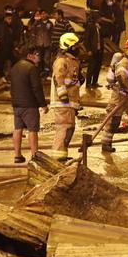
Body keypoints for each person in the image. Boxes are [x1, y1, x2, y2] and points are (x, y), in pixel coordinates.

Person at [9, 46, 48, 163]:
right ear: (29, 55)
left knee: (17, 129)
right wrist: (43, 104)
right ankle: (35, 155)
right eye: (36, 55)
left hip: (17, 105)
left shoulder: (15, 67)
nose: (38, 58)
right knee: (32, 130)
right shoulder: (32, 69)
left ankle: (17, 155)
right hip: (29, 105)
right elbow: (36, 88)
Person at [50, 33, 82, 162]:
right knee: (64, 128)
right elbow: (58, 78)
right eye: (76, 45)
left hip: (69, 101)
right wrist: (63, 96)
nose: (78, 48)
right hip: (62, 102)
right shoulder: (61, 61)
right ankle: (58, 158)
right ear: (69, 46)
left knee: (69, 128)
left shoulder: (71, 61)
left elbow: (72, 82)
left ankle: (61, 155)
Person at [82, 10, 104, 88]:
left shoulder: (99, 26)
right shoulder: (90, 26)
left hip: (99, 50)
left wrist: (100, 29)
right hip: (93, 51)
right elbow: (86, 40)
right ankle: (88, 83)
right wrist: (89, 50)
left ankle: (95, 82)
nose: (101, 19)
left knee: (97, 67)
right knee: (91, 67)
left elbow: (103, 36)